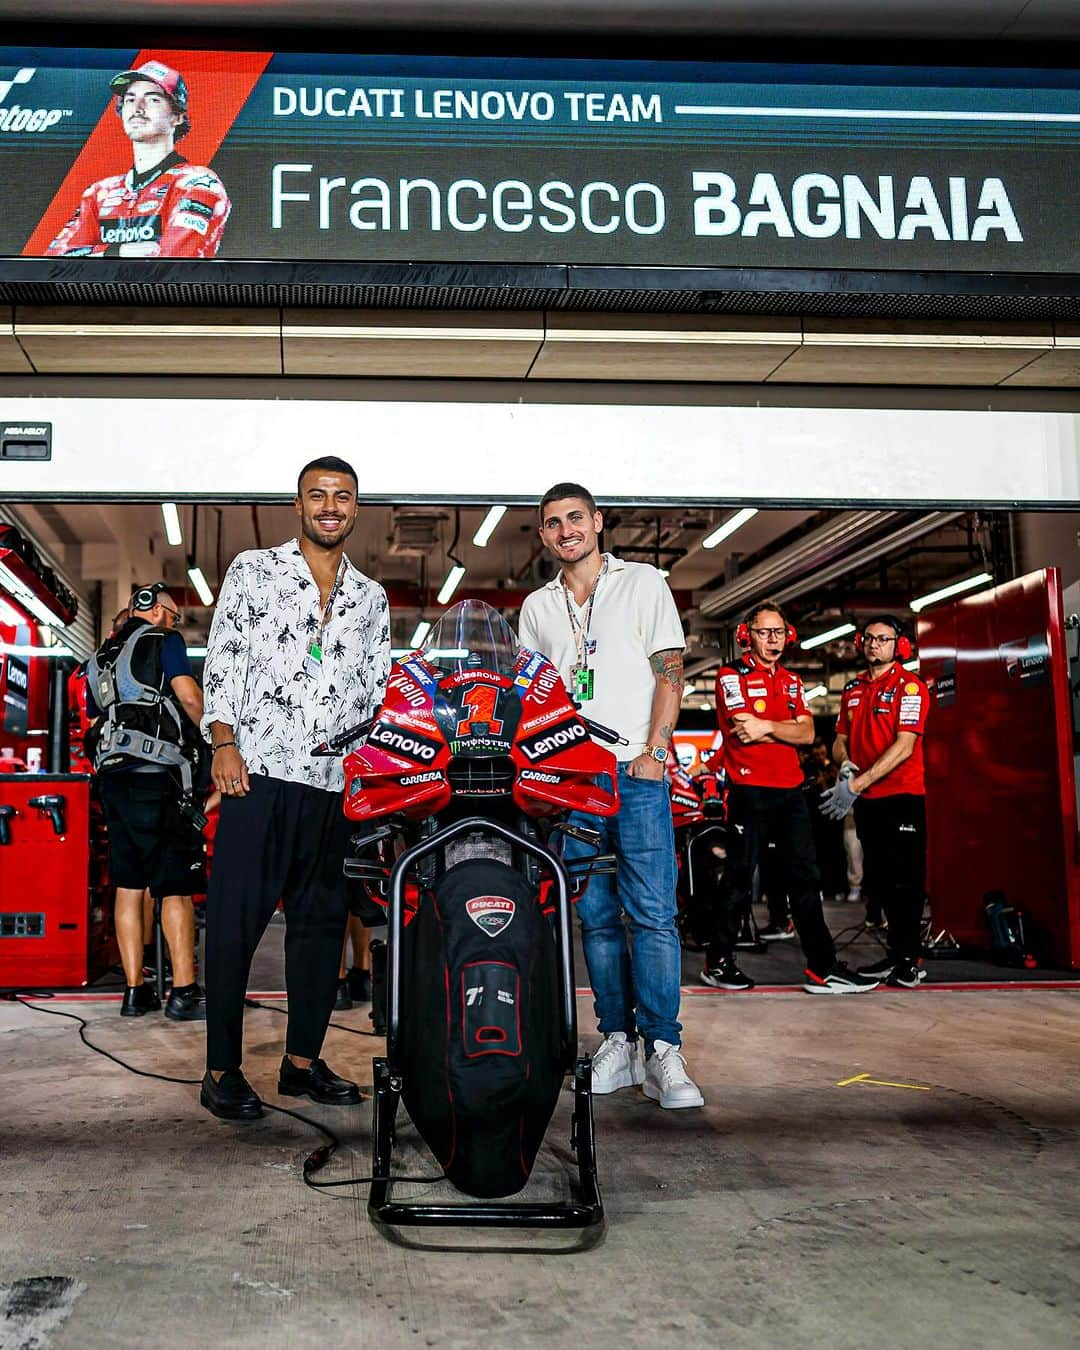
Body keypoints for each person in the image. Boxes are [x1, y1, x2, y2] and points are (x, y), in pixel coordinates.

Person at [199, 456, 391, 1122]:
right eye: (318, 495)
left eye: (342, 496)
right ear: (299, 503)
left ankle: (302, 1065)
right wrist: (223, 742)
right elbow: (223, 659)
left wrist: (373, 778)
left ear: (355, 508)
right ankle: (220, 1070)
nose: (330, 506)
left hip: (335, 787)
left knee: (318, 932)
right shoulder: (254, 570)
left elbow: (376, 692)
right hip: (260, 775)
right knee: (233, 928)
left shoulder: (372, 597)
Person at [518, 482, 703, 1110]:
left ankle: (663, 1050)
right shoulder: (538, 608)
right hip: (571, 779)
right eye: (553, 523)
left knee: (652, 912)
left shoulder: (644, 583)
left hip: (635, 770)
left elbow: (669, 667)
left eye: (576, 518)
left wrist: (656, 751)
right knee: (595, 916)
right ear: (543, 536)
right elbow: (534, 698)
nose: (566, 529)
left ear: (597, 522)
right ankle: (618, 1040)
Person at [701, 602, 879, 995]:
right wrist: (785, 727)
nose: (772, 640)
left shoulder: (793, 681)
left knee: (806, 879)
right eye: (764, 632)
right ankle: (718, 962)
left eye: (778, 632)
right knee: (739, 879)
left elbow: (807, 735)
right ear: (748, 635)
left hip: (790, 791)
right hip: (748, 789)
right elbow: (742, 730)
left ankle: (823, 968)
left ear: (789, 635)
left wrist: (766, 724)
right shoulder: (731, 675)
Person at [85, 583, 207, 1019]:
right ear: (154, 610)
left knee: (129, 883)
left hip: (113, 780)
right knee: (174, 885)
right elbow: (190, 697)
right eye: (173, 615)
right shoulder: (164, 640)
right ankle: (184, 993)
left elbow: (96, 713)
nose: (175, 623)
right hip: (159, 778)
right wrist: (215, 740)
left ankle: (135, 993)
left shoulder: (100, 658)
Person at [823, 616, 931, 987]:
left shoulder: (911, 688)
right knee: (881, 882)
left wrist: (857, 784)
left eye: (883, 639)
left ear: (898, 645)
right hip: (867, 800)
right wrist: (844, 763)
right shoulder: (852, 688)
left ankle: (909, 962)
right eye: (869, 638)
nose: (874, 645)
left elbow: (905, 746)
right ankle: (896, 955)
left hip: (902, 797)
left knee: (906, 882)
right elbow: (839, 738)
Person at [47, 60, 230, 258]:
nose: (138, 108)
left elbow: (175, 263)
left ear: (177, 117)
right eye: (130, 99)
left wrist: (94, 259)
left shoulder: (197, 183)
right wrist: (117, 253)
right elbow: (55, 262)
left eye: (153, 99)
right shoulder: (99, 193)